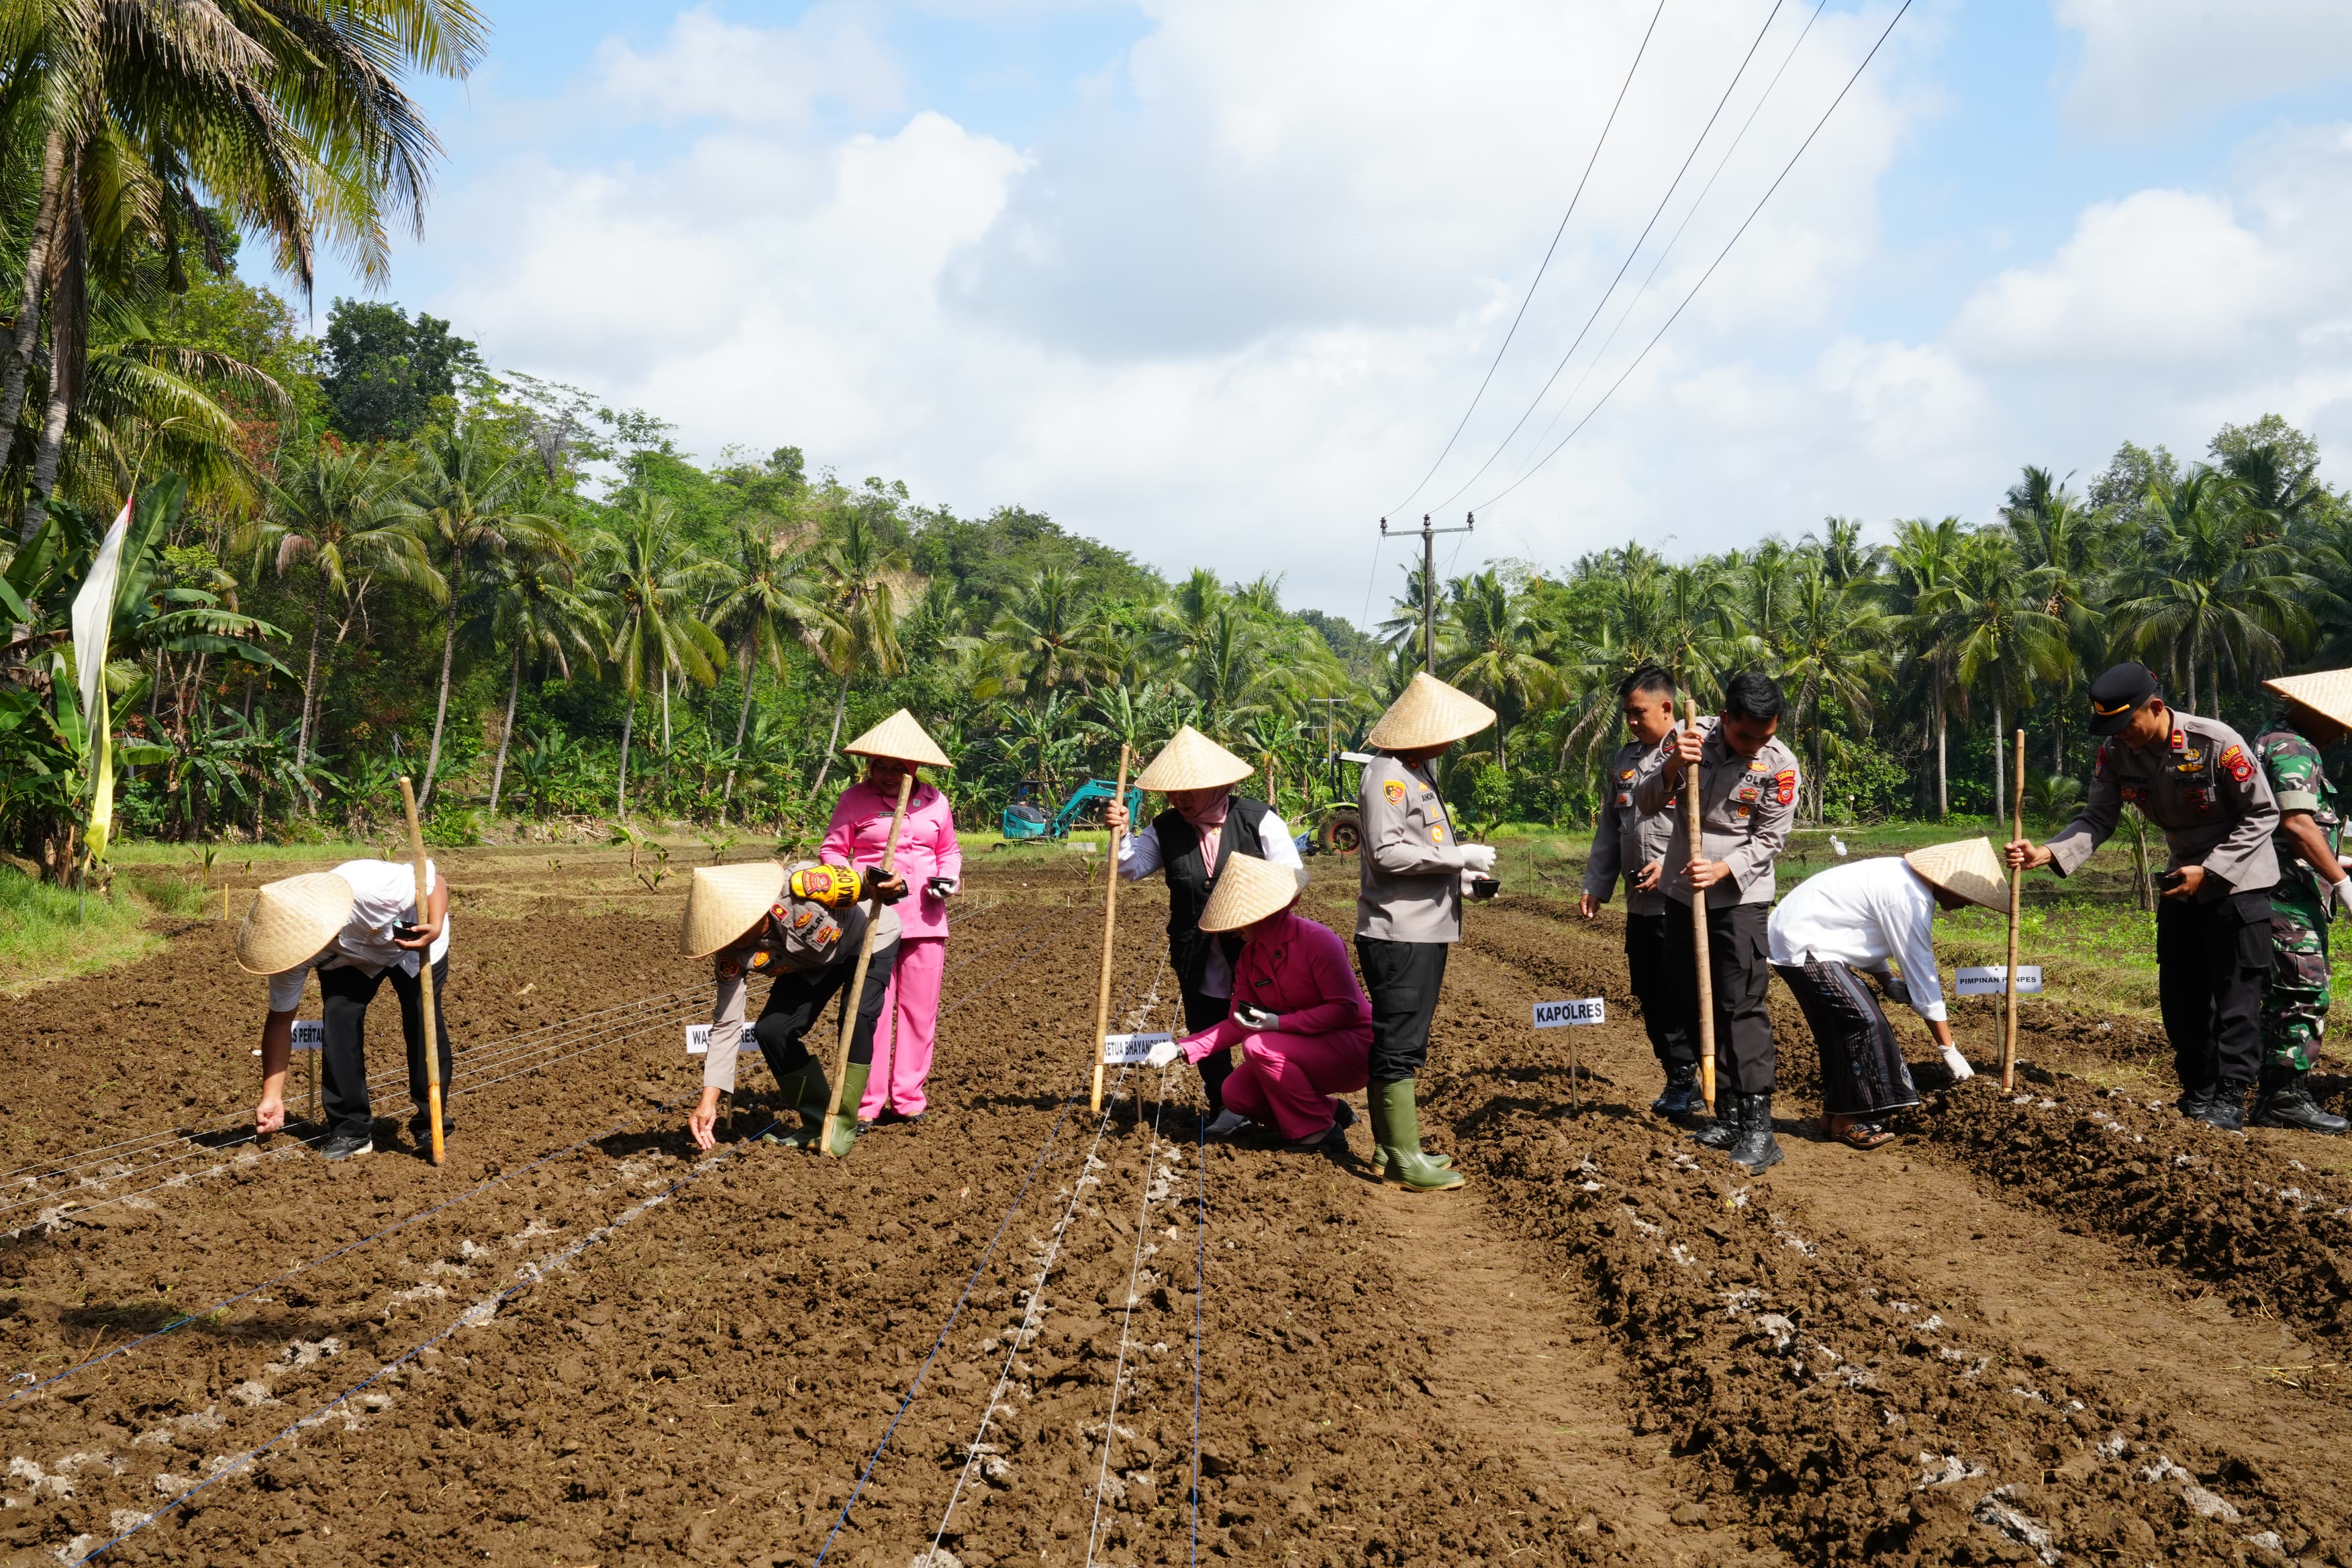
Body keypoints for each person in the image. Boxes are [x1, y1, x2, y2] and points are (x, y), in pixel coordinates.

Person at [2006, 662, 2280, 1130]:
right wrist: (2048, 852)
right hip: (2180, 882)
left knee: (2235, 997)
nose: (2121, 736)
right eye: (2111, 728)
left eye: (2127, 723)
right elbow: (2097, 819)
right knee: (2181, 996)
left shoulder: (2216, 742)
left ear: (2155, 708)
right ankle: (2197, 1091)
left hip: (2239, 881)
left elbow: (2262, 813)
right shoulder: (2115, 753)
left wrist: (2210, 872)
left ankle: (2230, 1098)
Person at [1634, 671, 1801, 1173]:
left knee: (1739, 1004)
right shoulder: (1688, 737)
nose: (1755, 746)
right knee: (1689, 996)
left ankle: (1758, 1126)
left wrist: (1725, 867)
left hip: (1739, 899)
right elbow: (1642, 804)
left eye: (1765, 736)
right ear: (1724, 717)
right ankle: (1726, 1112)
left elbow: (1771, 839)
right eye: (1745, 735)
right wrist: (1668, 771)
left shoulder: (1779, 765)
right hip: (1681, 895)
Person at [1104, 725, 1302, 1128]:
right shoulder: (1166, 828)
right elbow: (1131, 867)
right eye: (1173, 794)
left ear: (1217, 786)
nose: (1179, 800)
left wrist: (1252, 917)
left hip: (1259, 950)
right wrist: (1121, 833)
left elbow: (1291, 880)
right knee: (1205, 1020)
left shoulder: (1259, 821)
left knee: (1262, 1025)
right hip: (1196, 949)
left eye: (1188, 792)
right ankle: (1226, 1105)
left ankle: (1284, 1102)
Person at [1357, 672, 1502, 1192]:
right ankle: (1401, 1154)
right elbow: (1386, 852)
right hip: (1400, 933)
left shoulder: (1417, 770)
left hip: (1423, 928)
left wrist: (1459, 878)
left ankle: (1393, 1146)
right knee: (1398, 1041)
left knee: (1408, 1039)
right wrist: (1454, 855)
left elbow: (1416, 851)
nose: (1452, 741)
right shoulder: (1388, 775)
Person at [1767, 839, 2006, 1150]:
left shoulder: (1901, 879)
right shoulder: (1910, 897)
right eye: (1969, 896)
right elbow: (1921, 972)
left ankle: (1834, 1115)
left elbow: (1860, 934)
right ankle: (1849, 1119)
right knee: (1863, 1022)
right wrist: (1947, 1047)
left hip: (1809, 941)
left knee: (1842, 1026)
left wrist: (1886, 981)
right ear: (1949, 884)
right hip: (1803, 945)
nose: (1969, 904)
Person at [682, 857, 907, 1157]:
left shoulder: (803, 884)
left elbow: (873, 887)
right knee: (772, 1031)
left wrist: (892, 884)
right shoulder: (731, 954)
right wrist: (708, 1100)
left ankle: (843, 1125)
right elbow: (726, 1024)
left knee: (857, 1019)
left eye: (735, 929)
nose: (732, 939)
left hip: (868, 937)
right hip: (814, 964)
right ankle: (816, 1122)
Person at [1144, 855, 1371, 1152]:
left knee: (1259, 1047)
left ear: (1263, 915)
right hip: (1300, 1050)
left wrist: (1280, 1023)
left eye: (1239, 922)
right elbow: (1238, 1022)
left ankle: (1320, 1133)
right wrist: (1181, 1048)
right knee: (1236, 1094)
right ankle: (1328, 1112)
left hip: (1352, 1048)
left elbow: (1345, 1009)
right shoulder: (1250, 959)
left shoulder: (1319, 942)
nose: (1233, 931)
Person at [236, 859, 455, 1162]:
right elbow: (280, 1022)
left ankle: (431, 1124)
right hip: (350, 959)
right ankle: (350, 1131)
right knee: (338, 1022)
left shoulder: (367, 885)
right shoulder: (289, 953)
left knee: (423, 1022)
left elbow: (436, 883)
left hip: (412, 940)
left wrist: (436, 924)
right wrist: (271, 1096)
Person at [824, 709, 959, 1129]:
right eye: (879, 765)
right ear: (869, 765)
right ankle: (867, 1100)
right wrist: (859, 881)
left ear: (914, 768)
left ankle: (909, 1097)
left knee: (921, 1012)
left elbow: (948, 852)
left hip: (925, 918)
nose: (886, 774)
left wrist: (948, 880)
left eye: (897, 767)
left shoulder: (936, 801)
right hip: (872, 920)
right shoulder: (854, 799)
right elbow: (831, 851)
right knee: (872, 1011)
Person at [1578, 665, 1695, 1115]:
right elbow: (1611, 830)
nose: (1630, 721)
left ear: (1667, 708)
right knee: (1649, 990)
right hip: (1639, 905)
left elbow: (1711, 826)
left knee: (1681, 991)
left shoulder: (1693, 752)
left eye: (1637, 712)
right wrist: (1595, 885)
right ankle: (1676, 1074)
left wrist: (1669, 864)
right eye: (1626, 713)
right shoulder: (1625, 761)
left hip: (1681, 901)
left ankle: (1700, 1078)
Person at [2249, 672, 2352, 1134]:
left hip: (2270, 888)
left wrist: (2339, 859)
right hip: (2287, 896)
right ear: (2314, 712)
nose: (2343, 732)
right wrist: (2341, 882)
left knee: (2276, 996)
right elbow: (2297, 826)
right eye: (2339, 722)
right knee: (2301, 991)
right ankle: (2285, 1098)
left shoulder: (2269, 740)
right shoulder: (2295, 749)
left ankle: (2274, 1092)